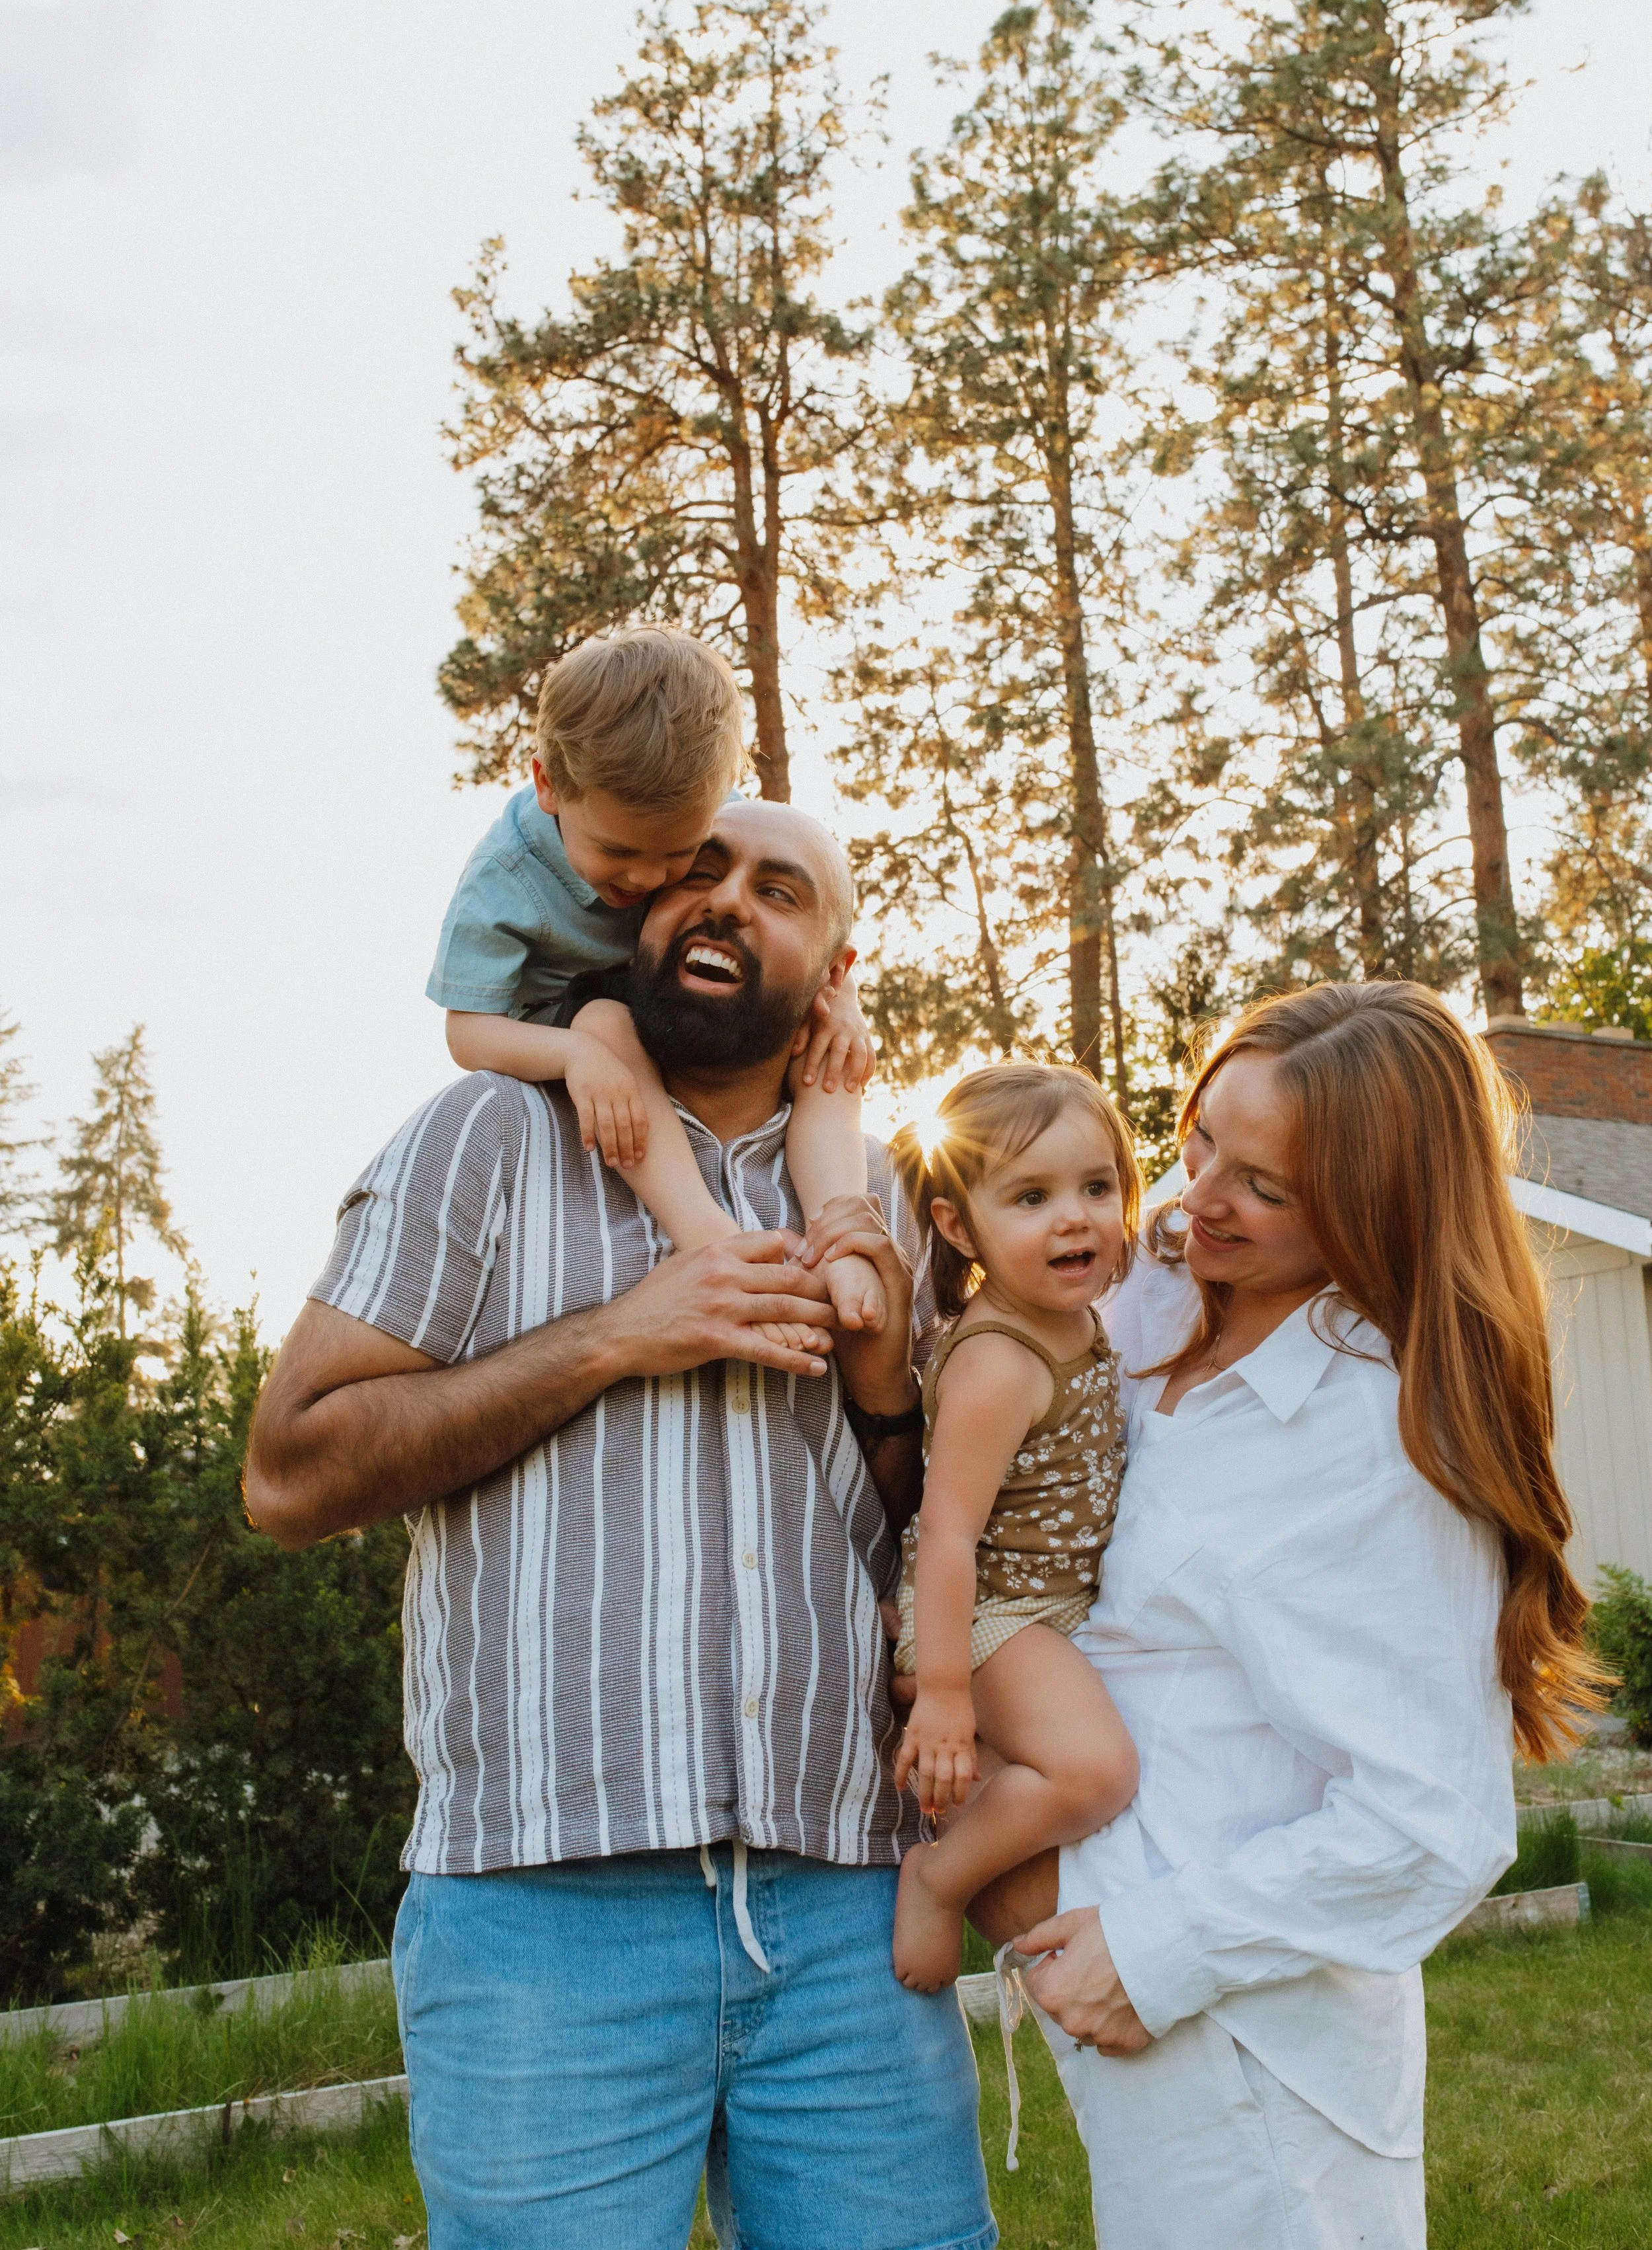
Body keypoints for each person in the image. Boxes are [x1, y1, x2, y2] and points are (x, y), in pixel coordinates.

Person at [244, 797, 996, 2250]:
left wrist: (888, 1392)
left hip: (846, 1901)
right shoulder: (485, 1139)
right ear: (628, 917)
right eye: (697, 872)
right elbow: (290, 1472)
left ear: (835, 965)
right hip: (543, 1922)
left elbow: (922, 1523)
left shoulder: (890, 1196)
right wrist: (614, 1336)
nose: (727, 902)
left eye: (780, 890)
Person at [970, 982, 1602, 2250]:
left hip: (1251, 2057)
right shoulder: (1152, 1289)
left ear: (1375, 1209)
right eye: (1201, 1138)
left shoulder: (1373, 1435)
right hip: (1136, 2025)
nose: (1195, 1197)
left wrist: (1157, 1951)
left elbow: (1437, 1821)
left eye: (1264, 1185)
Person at [428, 625, 883, 1333]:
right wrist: (575, 1057)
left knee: (825, 1045)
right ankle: (707, 1232)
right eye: (616, 852)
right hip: (564, 1032)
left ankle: (842, 1238)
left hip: (665, 995)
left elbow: (804, 901)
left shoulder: (697, 792)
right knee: (605, 1026)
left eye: (678, 855)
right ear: (548, 783)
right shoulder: (502, 882)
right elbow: (464, 1031)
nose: (644, 879)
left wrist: (842, 999)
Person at [884, 1064, 1141, 1991]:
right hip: (984, 1608)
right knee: (1094, 1772)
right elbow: (948, 1534)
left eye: (1097, 1186)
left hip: (1041, 1608)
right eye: (1031, 1196)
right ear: (959, 1224)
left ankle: (982, 1789)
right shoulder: (1000, 1358)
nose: (1075, 1217)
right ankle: (939, 1878)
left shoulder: (1070, 1308)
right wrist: (947, 1692)